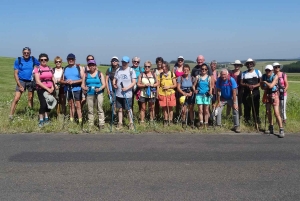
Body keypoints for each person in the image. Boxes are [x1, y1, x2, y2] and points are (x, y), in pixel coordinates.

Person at [9, 47, 40, 119]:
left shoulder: (33, 59)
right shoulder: (18, 60)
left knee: (30, 98)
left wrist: (35, 71)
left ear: (30, 53)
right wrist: (19, 85)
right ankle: (11, 115)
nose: (26, 54)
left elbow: (40, 65)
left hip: (30, 81)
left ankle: (30, 115)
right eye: (25, 53)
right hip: (21, 81)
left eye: (28, 53)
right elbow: (15, 74)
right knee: (16, 98)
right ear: (22, 53)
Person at [113, 56, 137, 130]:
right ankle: (120, 123)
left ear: (128, 63)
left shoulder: (131, 70)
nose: (124, 63)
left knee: (129, 109)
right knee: (120, 109)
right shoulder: (118, 70)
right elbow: (114, 79)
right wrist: (114, 84)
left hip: (128, 93)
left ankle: (131, 123)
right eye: (123, 62)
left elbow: (134, 82)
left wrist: (127, 88)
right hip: (119, 93)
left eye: (125, 62)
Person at [261, 65, 284, 138]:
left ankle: (281, 129)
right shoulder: (264, 76)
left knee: (276, 113)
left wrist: (265, 83)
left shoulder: (275, 76)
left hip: (274, 95)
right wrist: (265, 84)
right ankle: (271, 126)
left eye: (269, 70)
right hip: (267, 94)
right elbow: (262, 87)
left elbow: (271, 86)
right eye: (266, 70)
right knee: (268, 111)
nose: (268, 72)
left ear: (272, 70)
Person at [81, 59, 106, 129]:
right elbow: (82, 85)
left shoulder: (99, 74)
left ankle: (101, 124)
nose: (91, 67)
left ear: (95, 66)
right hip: (89, 93)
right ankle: (91, 124)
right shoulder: (85, 74)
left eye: (93, 65)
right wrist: (84, 88)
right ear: (88, 66)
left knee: (100, 109)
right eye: (90, 65)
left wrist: (99, 88)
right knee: (90, 109)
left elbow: (104, 84)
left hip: (99, 93)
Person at [60, 53, 84, 124]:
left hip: (77, 89)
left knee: (78, 106)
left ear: (75, 60)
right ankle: (71, 120)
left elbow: (83, 79)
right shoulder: (65, 68)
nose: (71, 60)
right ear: (67, 60)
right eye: (69, 59)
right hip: (68, 89)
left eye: (72, 59)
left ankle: (80, 121)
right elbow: (61, 80)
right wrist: (66, 82)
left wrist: (73, 82)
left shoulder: (79, 68)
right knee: (71, 105)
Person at [215, 69, 241, 133]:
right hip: (223, 98)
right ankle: (218, 125)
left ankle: (236, 126)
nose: (223, 76)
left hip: (232, 97)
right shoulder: (219, 80)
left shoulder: (231, 80)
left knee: (235, 110)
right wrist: (218, 102)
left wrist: (234, 103)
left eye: (224, 75)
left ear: (227, 74)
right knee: (218, 110)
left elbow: (234, 92)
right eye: (222, 75)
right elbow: (218, 91)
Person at [34, 53, 55, 127]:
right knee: (43, 105)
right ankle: (41, 121)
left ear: (47, 60)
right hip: (41, 89)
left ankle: (46, 119)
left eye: (45, 59)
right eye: (41, 59)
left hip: (50, 89)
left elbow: (53, 78)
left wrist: (53, 87)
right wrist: (47, 89)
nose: (43, 61)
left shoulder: (50, 68)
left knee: (49, 104)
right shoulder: (37, 69)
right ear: (39, 60)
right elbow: (37, 81)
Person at [240, 58, 262, 124]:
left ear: (253, 64)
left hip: (255, 92)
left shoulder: (258, 72)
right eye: (248, 64)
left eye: (251, 63)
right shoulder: (244, 73)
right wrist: (247, 85)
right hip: (246, 93)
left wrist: (254, 86)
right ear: (246, 65)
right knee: (246, 107)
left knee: (255, 107)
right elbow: (241, 83)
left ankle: (256, 121)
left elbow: (261, 83)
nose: (249, 65)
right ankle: (247, 122)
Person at [193, 63, 213, 129]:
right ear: (200, 70)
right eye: (202, 69)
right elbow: (193, 85)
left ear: (207, 70)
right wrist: (194, 90)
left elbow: (211, 87)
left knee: (206, 110)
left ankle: (206, 123)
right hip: (199, 95)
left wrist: (210, 92)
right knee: (200, 110)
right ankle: (201, 123)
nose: (203, 70)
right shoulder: (198, 77)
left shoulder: (209, 77)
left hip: (206, 95)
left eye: (205, 69)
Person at [157, 61, 177, 126]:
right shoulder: (160, 75)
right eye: (163, 67)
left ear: (168, 66)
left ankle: (170, 120)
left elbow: (175, 85)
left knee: (171, 107)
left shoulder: (171, 74)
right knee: (164, 108)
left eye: (165, 66)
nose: (164, 68)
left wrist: (168, 87)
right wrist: (157, 94)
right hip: (162, 93)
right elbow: (158, 85)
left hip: (170, 93)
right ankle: (165, 120)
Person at [177, 64, 195, 128]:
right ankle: (183, 122)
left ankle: (192, 122)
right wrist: (183, 93)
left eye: (187, 70)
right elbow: (178, 88)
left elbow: (194, 87)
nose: (186, 71)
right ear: (183, 70)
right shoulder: (180, 78)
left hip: (191, 95)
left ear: (189, 70)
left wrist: (191, 92)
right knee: (183, 110)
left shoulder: (192, 78)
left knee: (191, 109)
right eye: (184, 70)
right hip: (183, 94)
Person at [106, 56, 120, 121]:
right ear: (111, 62)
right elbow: (106, 80)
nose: (114, 62)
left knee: (119, 103)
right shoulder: (109, 70)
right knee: (113, 103)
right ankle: (114, 116)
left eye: (115, 60)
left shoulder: (120, 69)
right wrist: (108, 90)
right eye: (113, 60)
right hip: (112, 89)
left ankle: (119, 117)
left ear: (118, 62)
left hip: (119, 89)